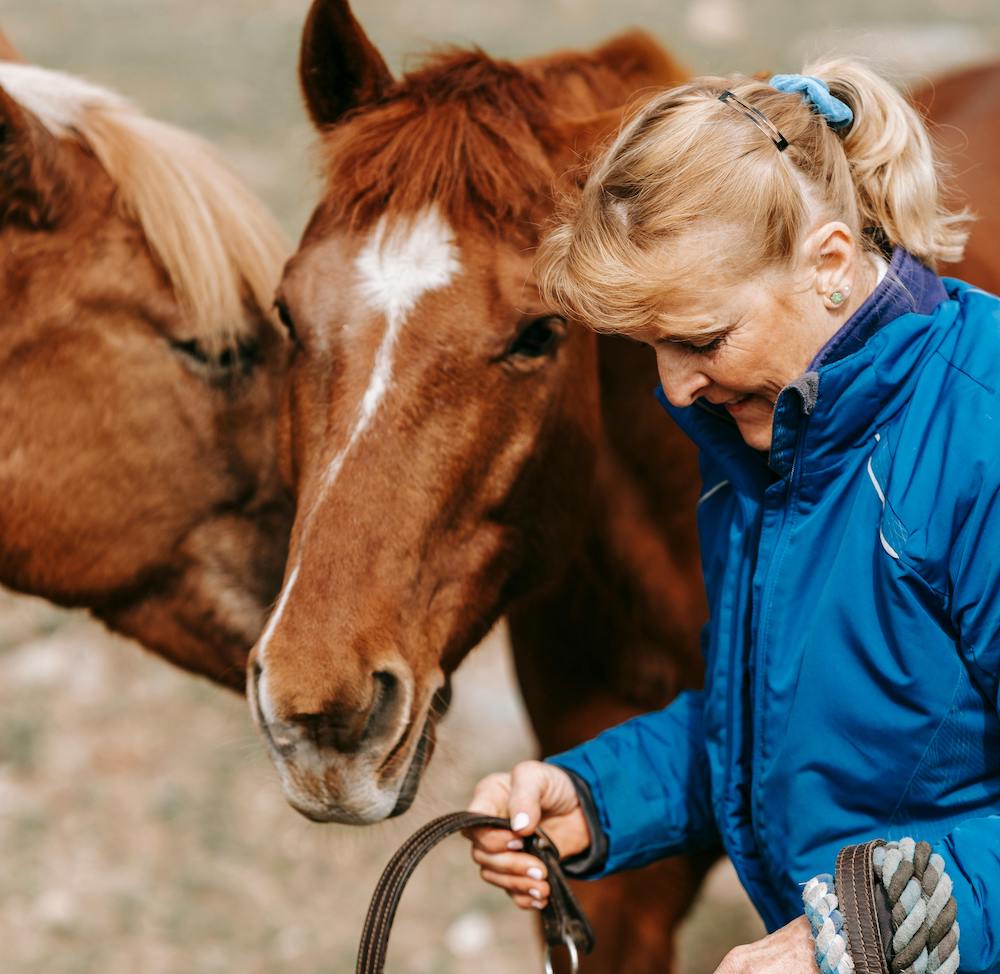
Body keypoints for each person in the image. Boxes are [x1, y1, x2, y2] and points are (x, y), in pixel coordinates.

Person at [465, 59, 999, 974]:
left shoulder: (978, 436)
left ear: (831, 264)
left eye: (702, 340)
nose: (676, 387)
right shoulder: (767, 446)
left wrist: (857, 939)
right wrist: (595, 798)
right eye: (653, 349)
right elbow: (781, 727)